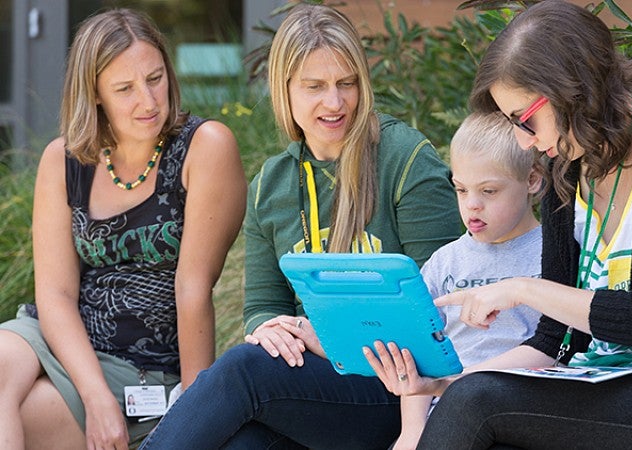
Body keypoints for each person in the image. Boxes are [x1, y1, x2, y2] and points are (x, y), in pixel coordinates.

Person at [365, 1, 632, 449]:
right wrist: (445, 383)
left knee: (479, 402)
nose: (522, 140)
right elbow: (551, 342)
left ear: (573, 91)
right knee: (471, 398)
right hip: (593, 383)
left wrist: (520, 288)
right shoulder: (566, 167)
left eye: (523, 120)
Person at [138, 4, 461, 449]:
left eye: (346, 83)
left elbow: (445, 308)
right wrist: (273, 329)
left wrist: (323, 339)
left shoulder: (405, 161)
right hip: (319, 391)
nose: (335, 102)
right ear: (284, 91)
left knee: (244, 369)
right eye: (315, 87)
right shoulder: (271, 186)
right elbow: (263, 305)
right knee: (242, 442)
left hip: (403, 392)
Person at [0, 8, 247, 450]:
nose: (149, 101)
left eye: (155, 79)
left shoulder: (203, 149)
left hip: (142, 368)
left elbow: (193, 289)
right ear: (94, 94)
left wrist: (195, 421)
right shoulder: (64, 160)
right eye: (125, 89)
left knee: (29, 414)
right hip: (63, 338)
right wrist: (95, 398)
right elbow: (54, 294)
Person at [393, 111, 544, 450]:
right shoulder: (444, 263)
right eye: (461, 190)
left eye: (488, 191)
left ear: (532, 180)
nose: (472, 205)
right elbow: (419, 352)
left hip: (521, 410)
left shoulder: (556, 253)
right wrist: (411, 430)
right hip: (444, 415)